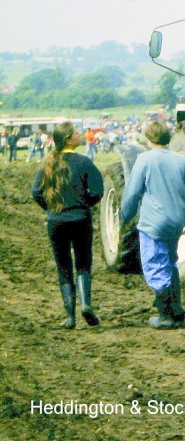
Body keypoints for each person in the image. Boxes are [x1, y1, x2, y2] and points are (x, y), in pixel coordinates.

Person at [120, 121, 185, 329]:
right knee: (171, 262)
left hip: (154, 222)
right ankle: (177, 308)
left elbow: (133, 192)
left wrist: (124, 216)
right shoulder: (181, 160)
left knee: (154, 264)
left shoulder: (144, 159)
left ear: (148, 138)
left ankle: (165, 316)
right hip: (175, 221)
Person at [30, 122, 104, 329]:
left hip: (56, 221)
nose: (81, 135)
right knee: (83, 263)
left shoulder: (48, 162)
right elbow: (98, 191)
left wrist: (50, 208)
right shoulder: (85, 162)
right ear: (69, 139)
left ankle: (70, 317)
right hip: (80, 219)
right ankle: (86, 304)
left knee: (63, 267)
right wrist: (84, 205)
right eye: (77, 133)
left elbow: (35, 192)